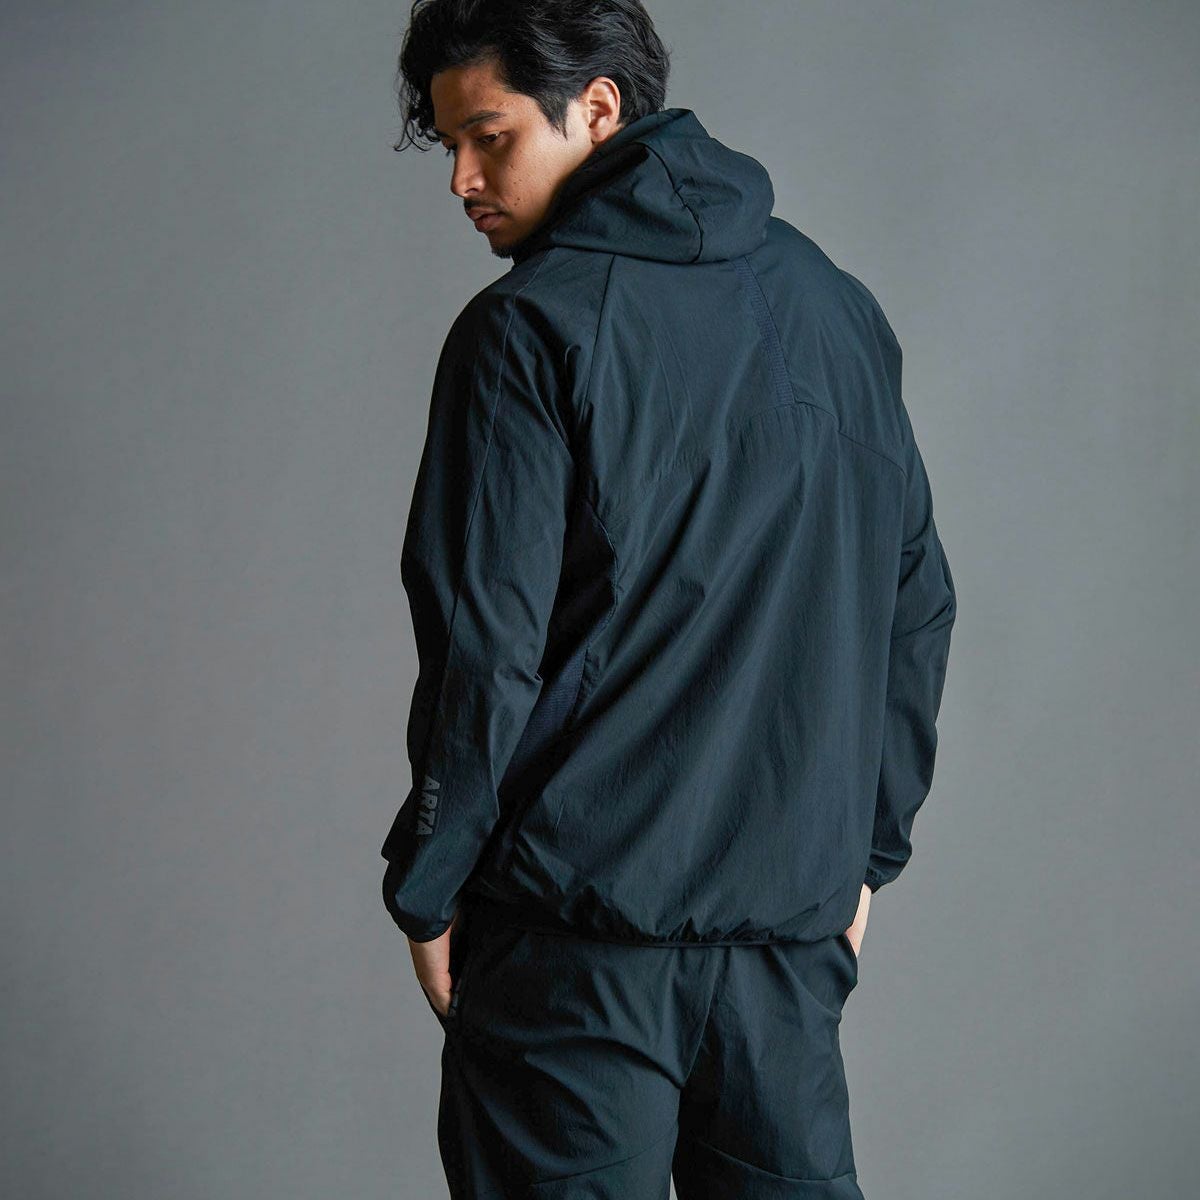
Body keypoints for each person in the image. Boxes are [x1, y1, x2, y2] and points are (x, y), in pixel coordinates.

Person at [379, 2, 957, 1196]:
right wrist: (864, 856)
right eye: (452, 147)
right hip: (785, 950)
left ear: (596, 109)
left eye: (489, 138)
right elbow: (914, 605)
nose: (463, 181)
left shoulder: (526, 329)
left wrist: (427, 887)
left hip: (572, 953)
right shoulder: (836, 309)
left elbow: (486, 651)